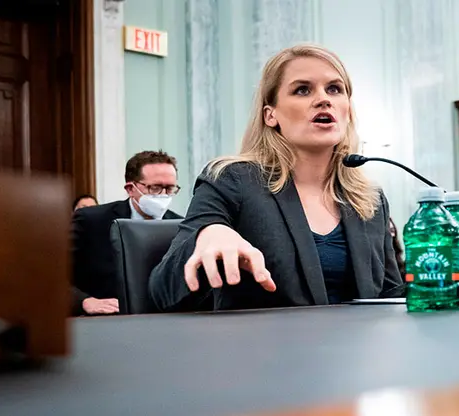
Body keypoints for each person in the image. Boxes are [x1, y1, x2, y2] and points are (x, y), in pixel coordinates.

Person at [149, 44, 403, 312]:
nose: (323, 99)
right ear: (271, 115)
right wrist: (209, 233)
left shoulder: (370, 198)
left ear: (347, 110)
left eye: (334, 89)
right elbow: (161, 290)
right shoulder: (232, 180)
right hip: (267, 339)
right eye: (302, 90)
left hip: (357, 338)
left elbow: (390, 294)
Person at [72, 150, 182, 316]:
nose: (163, 195)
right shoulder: (91, 221)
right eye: (155, 188)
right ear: (131, 189)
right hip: (104, 321)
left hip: (162, 320)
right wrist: (84, 301)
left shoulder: (180, 226)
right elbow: (52, 273)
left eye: (170, 188)